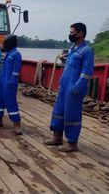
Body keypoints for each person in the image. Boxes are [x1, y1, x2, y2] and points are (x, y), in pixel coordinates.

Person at [44, 22, 94, 152]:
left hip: (74, 88)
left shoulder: (86, 51)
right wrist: (60, 81)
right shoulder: (72, 49)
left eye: (72, 33)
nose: (70, 35)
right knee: (59, 111)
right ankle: (57, 137)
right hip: (64, 86)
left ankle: (72, 143)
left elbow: (87, 73)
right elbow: (67, 68)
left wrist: (77, 88)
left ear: (80, 34)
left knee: (72, 115)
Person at [0, 34, 22, 135]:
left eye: (5, 42)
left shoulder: (16, 54)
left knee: (10, 102)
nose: (3, 44)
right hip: (2, 81)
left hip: (9, 83)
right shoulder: (8, 53)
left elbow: (16, 71)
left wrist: (12, 82)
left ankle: (17, 125)